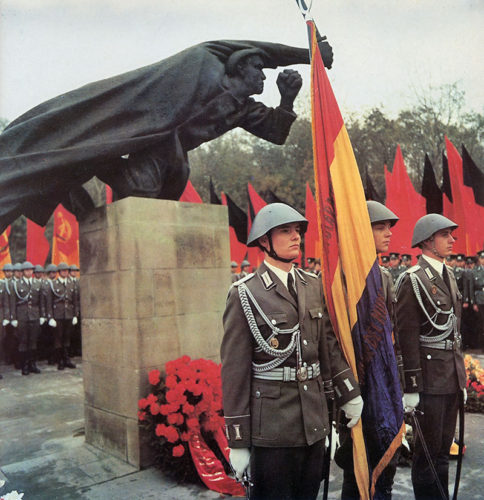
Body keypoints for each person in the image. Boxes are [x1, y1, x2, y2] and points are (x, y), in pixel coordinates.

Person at [0, 38, 334, 232]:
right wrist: (307, 54)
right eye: (258, 69)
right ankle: (89, 166)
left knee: (155, 203)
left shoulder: (243, 108)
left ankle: (94, 167)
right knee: (139, 188)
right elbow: (251, 44)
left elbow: (276, 132)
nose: (263, 76)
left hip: (170, 152)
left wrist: (287, 99)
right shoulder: (204, 65)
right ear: (239, 67)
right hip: (139, 133)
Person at [221, 203, 362, 500]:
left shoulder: (312, 285)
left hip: (312, 421)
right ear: (264, 241)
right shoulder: (246, 293)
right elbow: (234, 372)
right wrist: (237, 441)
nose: (296, 236)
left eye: (297, 231)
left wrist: (349, 392)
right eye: (285, 231)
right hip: (272, 428)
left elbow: (328, 345)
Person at [394, 214, 466, 500]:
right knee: (427, 456)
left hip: (450, 377)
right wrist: (411, 387)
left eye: (451, 234)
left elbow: (454, 332)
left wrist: (460, 375)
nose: (452, 240)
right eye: (445, 235)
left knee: (443, 453)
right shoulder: (412, 280)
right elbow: (405, 338)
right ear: (427, 241)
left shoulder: (448, 274)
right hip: (428, 380)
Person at [337, 200, 403, 500]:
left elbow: (390, 337)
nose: (388, 233)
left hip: (382, 387)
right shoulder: (342, 278)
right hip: (354, 388)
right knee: (355, 473)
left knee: (384, 474)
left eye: (389, 227)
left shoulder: (384, 277)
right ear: (362, 232)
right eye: (380, 227)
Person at [9, 261, 45, 375]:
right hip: (22, 316)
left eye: (31, 270)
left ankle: (32, 364)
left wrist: (42, 315)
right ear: (23, 272)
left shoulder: (37, 284)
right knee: (23, 341)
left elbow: (41, 302)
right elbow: (12, 302)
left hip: (34, 315)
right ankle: (24, 365)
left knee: (33, 341)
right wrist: (13, 318)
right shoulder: (16, 284)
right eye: (27, 270)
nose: (29, 272)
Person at [45, 262, 79, 370]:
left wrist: (75, 315)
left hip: (68, 314)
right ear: (59, 272)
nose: (65, 272)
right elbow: (49, 302)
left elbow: (75, 301)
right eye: (63, 271)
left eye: (66, 271)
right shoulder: (54, 284)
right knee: (58, 339)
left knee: (67, 338)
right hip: (58, 315)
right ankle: (60, 361)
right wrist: (50, 317)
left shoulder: (71, 284)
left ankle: (67, 359)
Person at [469, 250, 484, 350]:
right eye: (482, 258)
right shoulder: (475, 271)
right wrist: (473, 302)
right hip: (479, 299)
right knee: (481, 323)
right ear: (479, 260)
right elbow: (471, 288)